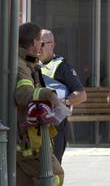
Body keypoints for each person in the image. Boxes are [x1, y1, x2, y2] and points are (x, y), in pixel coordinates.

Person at [15, 22, 65, 185]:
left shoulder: (27, 62)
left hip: (27, 137)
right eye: (40, 43)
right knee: (55, 176)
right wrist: (47, 94)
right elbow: (23, 94)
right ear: (34, 43)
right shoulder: (20, 65)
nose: (42, 48)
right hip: (27, 140)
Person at [38, 29, 87, 163]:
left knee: (53, 169)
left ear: (52, 45)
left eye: (42, 44)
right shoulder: (32, 65)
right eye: (36, 43)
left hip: (55, 128)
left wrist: (62, 101)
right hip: (36, 127)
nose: (38, 47)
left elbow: (81, 95)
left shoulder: (61, 66)